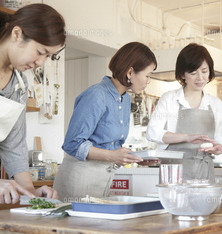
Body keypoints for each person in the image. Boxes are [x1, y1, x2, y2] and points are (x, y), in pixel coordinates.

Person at [53, 42, 157, 202]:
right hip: (80, 179)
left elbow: (110, 146)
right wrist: (112, 156)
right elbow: (72, 144)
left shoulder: (125, 99)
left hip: (104, 177)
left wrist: (136, 158)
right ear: (130, 72)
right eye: (148, 75)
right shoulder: (96, 95)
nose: (148, 81)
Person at [0, 3, 66, 204]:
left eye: (48, 56)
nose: (41, 62)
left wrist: (30, 192)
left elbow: (13, 145)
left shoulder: (19, 84)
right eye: (40, 52)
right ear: (17, 34)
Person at [146, 43, 222, 183]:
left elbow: (220, 139)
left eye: (204, 71)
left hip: (204, 175)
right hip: (173, 175)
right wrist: (187, 137)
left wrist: (219, 148)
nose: (200, 78)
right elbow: (152, 132)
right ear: (183, 74)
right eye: (193, 73)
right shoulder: (169, 99)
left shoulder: (215, 104)